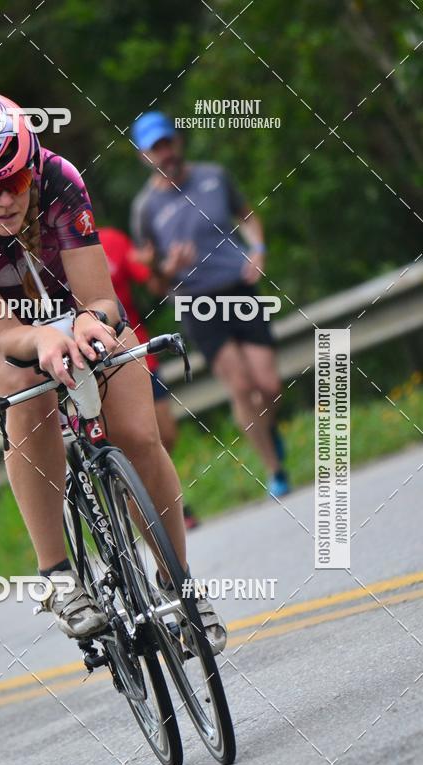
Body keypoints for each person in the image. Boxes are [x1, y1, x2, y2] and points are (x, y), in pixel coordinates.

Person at [0, 90, 226, 650]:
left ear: (32, 165)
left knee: (134, 432)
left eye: (15, 182)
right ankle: (58, 577)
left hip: (59, 289)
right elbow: (6, 334)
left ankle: (180, 585)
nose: (4, 199)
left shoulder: (58, 177)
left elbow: (101, 299)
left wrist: (85, 323)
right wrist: (43, 342)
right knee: (26, 386)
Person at [130, 111, 290, 498]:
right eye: (155, 149)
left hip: (238, 288)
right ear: (143, 156)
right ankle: (275, 469)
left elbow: (248, 215)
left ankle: (267, 430)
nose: (164, 154)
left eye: (167, 143)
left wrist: (259, 249)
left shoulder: (214, 176)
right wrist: (166, 267)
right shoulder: (145, 208)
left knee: (269, 385)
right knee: (240, 386)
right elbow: (153, 280)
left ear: (178, 142)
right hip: (196, 302)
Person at [99, 225, 199, 529]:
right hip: (88, 360)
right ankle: (148, 507)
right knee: (128, 442)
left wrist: (158, 265)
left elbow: (153, 281)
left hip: (134, 347)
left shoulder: (111, 239)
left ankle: (154, 495)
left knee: (164, 432)